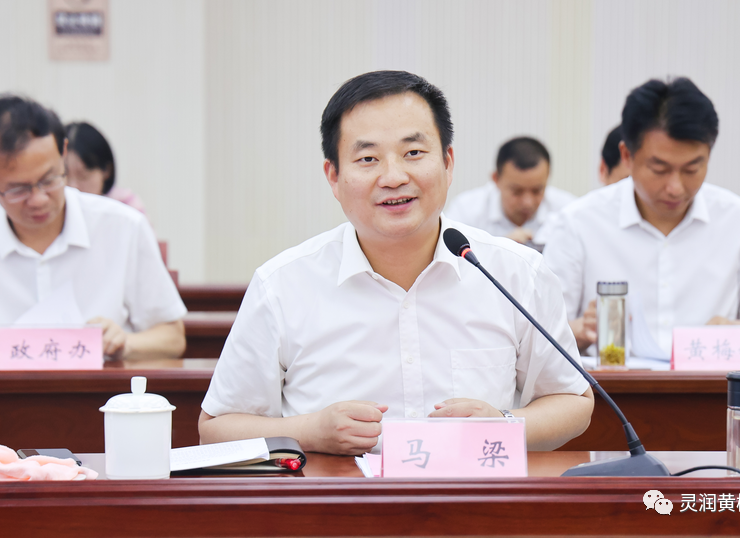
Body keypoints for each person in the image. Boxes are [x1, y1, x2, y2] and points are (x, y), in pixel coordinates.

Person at [199, 71, 593, 456]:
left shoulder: (516, 272)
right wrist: (310, 432)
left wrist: (503, 423)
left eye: (413, 153)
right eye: (367, 158)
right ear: (333, 176)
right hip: (338, 499)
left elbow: (572, 401)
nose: (393, 176)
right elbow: (215, 428)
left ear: (448, 163)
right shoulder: (282, 284)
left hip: (472, 497)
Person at [543, 78, 740, 356]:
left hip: (712, 383)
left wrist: (736, 331)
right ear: (627, 156)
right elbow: (539, 334)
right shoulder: (577, 223)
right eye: (659, 169)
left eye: (692, 169)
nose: (675, 187)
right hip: (607, 383)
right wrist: (580, 331)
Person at [0, 95, 186, 359]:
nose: (39, 199)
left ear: (63, 152)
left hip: (102, 385)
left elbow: (173, 337)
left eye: (49, 179)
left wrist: (126, 342)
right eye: (18, 189)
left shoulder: (123, 227)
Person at [446, 137, 575, 245]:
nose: (527, 202)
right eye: (517, 191)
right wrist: (499, 249)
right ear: (496, 179)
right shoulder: (465, 210)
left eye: (537, 191)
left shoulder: (568, 211)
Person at [64, 121, 146, 214]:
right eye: (63, 174)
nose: (73, 187)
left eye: (83, 175)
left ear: (107, 170)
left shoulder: (127, 208)